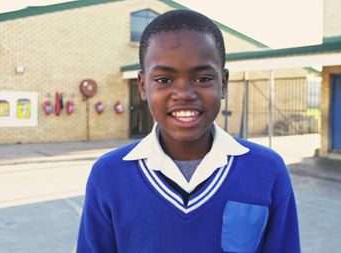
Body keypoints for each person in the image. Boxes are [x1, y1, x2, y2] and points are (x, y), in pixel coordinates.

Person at [77, 9, 300, 253]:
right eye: (164, 80)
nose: (184, 93)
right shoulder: (109, 174)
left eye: (203, 78)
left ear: (223, 83)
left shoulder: (266, 170)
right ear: (143, 86)